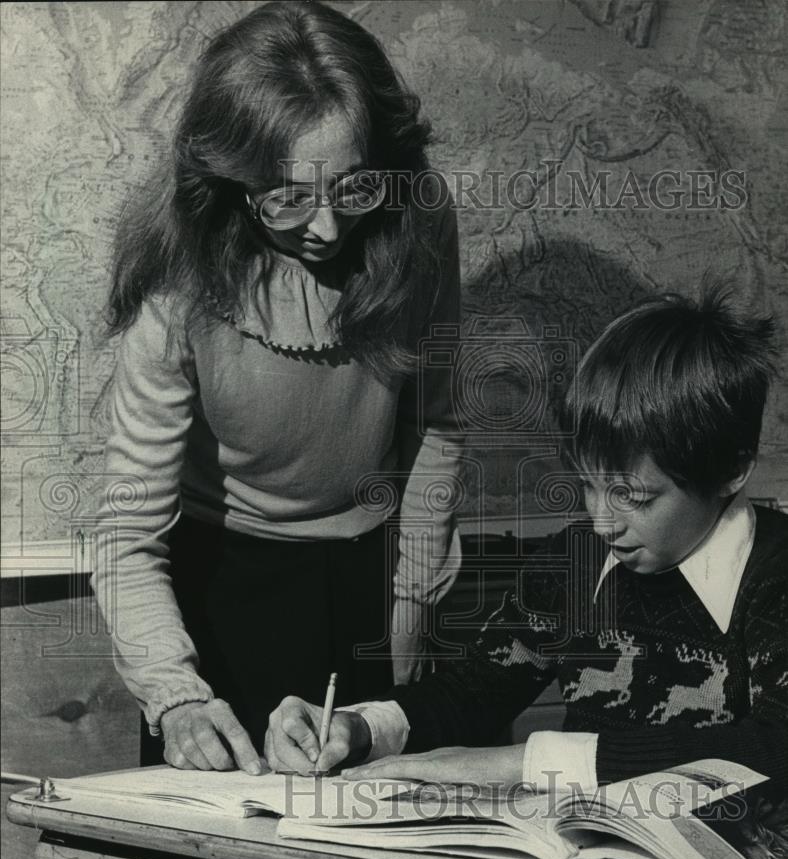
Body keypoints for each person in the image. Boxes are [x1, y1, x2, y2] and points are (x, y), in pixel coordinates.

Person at [90, 1, 462, 774]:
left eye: (353, 190)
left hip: (373, 576)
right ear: (229, 177)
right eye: (288, 198)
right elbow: (128, 539)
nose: (326, 229)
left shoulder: (419, 221)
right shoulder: (179, 279)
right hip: (220, 589)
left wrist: (412, 605)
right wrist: (178, 697)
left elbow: (438, 424)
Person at [264, 285, 788, 798]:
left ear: (731, 471)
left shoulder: (776, 575)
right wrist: (359, 727)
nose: (603, 523)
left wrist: (524, 763)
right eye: (588, 485)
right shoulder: (574, 559)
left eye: (637, 497)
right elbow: (474, 691)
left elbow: (770, 750)